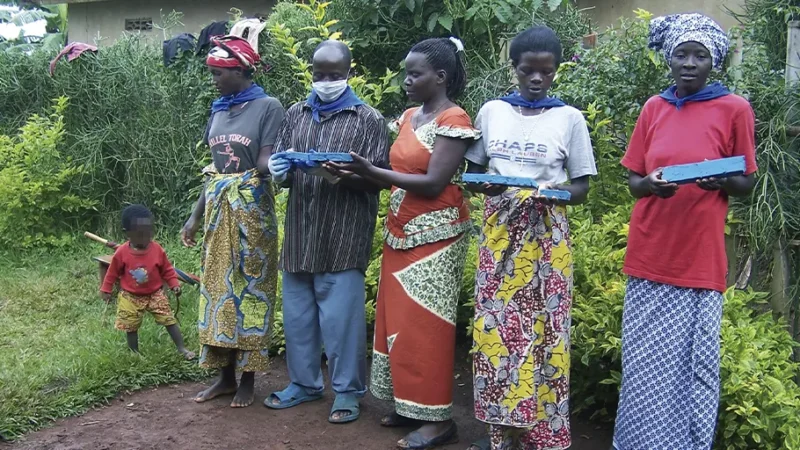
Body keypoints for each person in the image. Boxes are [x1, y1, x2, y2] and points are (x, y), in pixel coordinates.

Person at [612, 14, 757, 450]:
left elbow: (746, 183)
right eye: (681, 54)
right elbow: (635, 182)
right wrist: (652, 185)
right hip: (650, 251)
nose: (690, 63)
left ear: (714, 62)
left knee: (693, 364)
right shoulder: (654, 108)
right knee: (643, 362)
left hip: (698, 259)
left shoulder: (734, 108)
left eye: (700, 55)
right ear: (669, 58)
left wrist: (722, 181)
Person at [330, 37, 479, 449]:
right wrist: (352, 175)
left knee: (426, 326)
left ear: (441, 77)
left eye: (415, 74)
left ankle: (438, 420)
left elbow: (433, 183)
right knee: (397, 323)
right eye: (407, 73)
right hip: (400, 230)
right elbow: (394, 174)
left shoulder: (454, 118)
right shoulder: (411, 115)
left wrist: (373, 172)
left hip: (437, 235)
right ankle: (410, 404)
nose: (407, 80)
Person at [464, 26, 597, 450]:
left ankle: (542, 432)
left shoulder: (569, 118)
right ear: (515, 69)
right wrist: (483, 186)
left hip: (546, 237)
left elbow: (580, 188)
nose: (536, 79)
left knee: (545, 330)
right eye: (527, 71)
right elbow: (473, 173)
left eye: (545, 71)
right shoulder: (492, 111)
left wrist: (550, 194)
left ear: (556, 71)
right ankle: (500, 431)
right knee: (496, 329)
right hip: (500, 232)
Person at [264, 40, 390, 425]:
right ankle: (304, 384)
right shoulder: (295, 113)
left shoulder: (367, 118)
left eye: (334, 75)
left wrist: (343, 176)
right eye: (320, 74)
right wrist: (280, 170)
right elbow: (283, 165)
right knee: (298, 320)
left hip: (343, 237)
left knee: (342, 324)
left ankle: (348, 392)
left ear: (348, 73)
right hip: (300, 235)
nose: (326, 81)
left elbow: (377, 180)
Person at [181, 35, 285, 408]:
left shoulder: (268, 107)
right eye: (212, 73)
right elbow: (214, 170)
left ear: (239, 70)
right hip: (217, 212)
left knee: (252, 290)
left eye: (219, 73)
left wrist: (270, 167)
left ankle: (249, 378)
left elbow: (266, 163)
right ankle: (224, 376)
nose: (214, 80)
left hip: (253, 210)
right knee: (217, 291)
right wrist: (194, 217)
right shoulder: (219, 109)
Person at [100, 204, 195, 360]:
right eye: (140, 235)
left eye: (149, 233)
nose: (146, 238)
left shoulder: (157, 249)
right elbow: (112, 273)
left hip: (155, 293)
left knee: (169, 320)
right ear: (127, 234)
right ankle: (134, 352)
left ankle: (182, 348)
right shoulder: (122, 253)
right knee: (131, 326)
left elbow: (168, 270)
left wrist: (174, 285)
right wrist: (106, 289)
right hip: (130, 296)